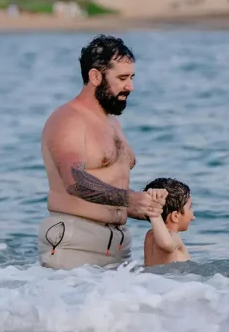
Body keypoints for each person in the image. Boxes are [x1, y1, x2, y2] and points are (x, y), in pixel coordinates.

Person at [38, 35, 166, 269]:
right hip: (75, 243)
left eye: (132, 77)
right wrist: (130, 198)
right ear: (95, 76)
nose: (131, 86)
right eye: (122, 78)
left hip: (118, 246)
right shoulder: (69, 119)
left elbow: (109, 185)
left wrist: (147, 205)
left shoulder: (112, 124)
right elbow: (75, 181)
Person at [143, 178, 194, 267]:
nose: (193, 216)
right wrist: (155, 212)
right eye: (190, 208)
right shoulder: (172, 236)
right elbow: (167, 245)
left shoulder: (150, 235)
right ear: (175, 216)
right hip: (174, 279)